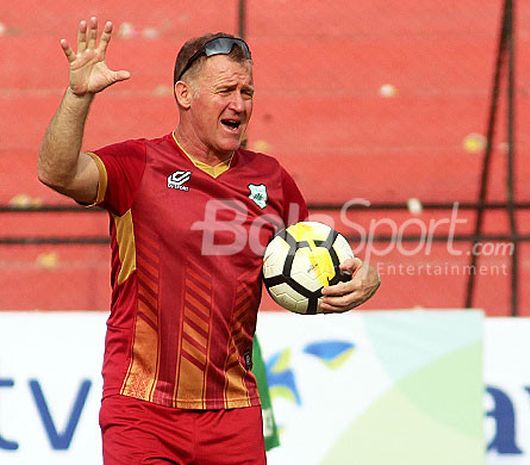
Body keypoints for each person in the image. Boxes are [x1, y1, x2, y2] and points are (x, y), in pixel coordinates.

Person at [37, 17, 380, 465]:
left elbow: (309, 267)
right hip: (143, 408)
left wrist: (362, 279)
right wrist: (78, 97)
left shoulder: (272, 180)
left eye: (248, 92)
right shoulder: (138, 164)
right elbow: (55, 171)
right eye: (226, 91)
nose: (239, 103)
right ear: (185, 94)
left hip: (233, 412)